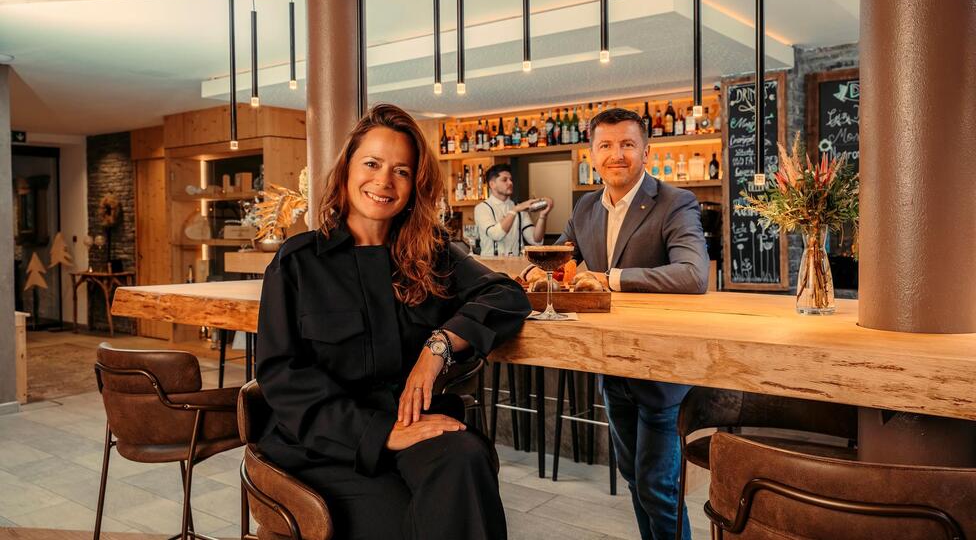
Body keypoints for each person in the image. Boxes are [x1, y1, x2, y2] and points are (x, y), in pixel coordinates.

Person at [256, 104, 531, 540]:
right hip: (326, 446)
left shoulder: (434, 254)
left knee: (464, 459)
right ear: (346, 170)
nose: (384, 181)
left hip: (415, 423)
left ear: (415, 185)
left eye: (401, 171)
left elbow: (507, 295)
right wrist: (380, 433)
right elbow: (282, 378)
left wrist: (437, 347)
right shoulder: (298, 264)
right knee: (415, 519)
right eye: (372, 163)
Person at [557, 107, 708, 540]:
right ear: (590, 155)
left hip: (663, 369)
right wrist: (538, 271)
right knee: (634, 480)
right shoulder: (586, 207)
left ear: (646, 150)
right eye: (605, 145)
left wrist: (608, 279)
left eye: (627, 144)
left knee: (658, 487)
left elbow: (693, 275)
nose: (616, 154)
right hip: (613, 367)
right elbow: (560, 258)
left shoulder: (674, 201)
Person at [473, 163, 553, 255]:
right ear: (492, 184)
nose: (510, 183)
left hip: (517, 265)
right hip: (490, 266)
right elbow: (496, 234)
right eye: (504, 180)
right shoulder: (482, 208)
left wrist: (543, 215)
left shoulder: (518, 207)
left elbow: (535, 240)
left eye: (511, 179)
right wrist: (515, 210)